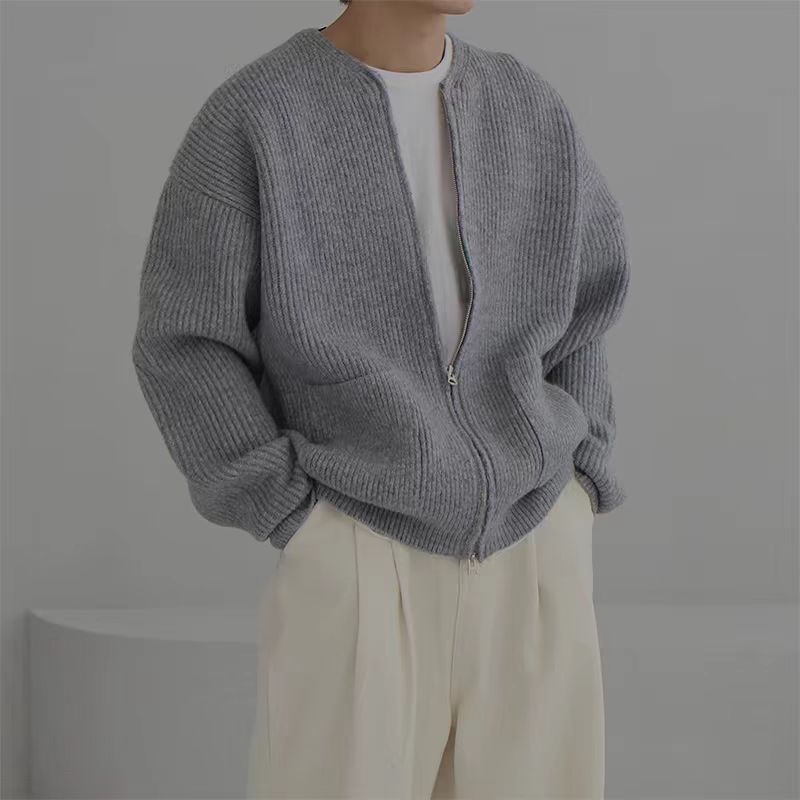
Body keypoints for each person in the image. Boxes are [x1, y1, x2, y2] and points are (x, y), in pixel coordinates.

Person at [131, 1, 631, 797]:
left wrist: (580, 482)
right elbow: (185, 341)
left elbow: (589, 304)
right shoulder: (257, 118)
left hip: (534, 545)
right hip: (358, 542)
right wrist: (292, 514)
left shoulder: (527, 108)